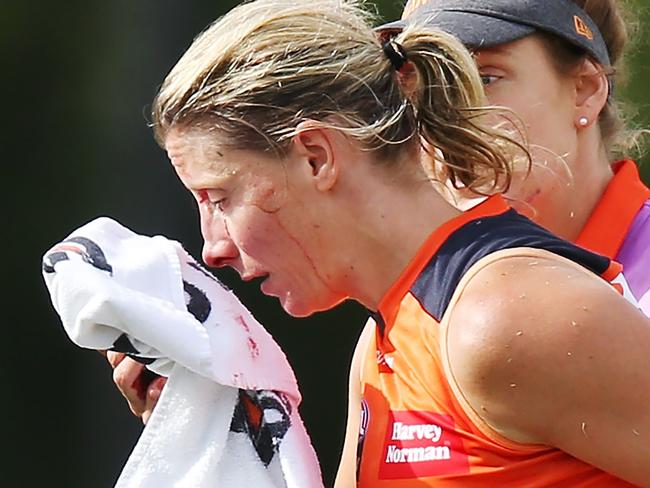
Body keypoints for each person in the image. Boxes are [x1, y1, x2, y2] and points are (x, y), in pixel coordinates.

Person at [111, 0, 650, 485]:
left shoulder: (501, 318)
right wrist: (220, 433)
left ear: (316, 157)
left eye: (220, 198)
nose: (213, 247)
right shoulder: (388, 335)